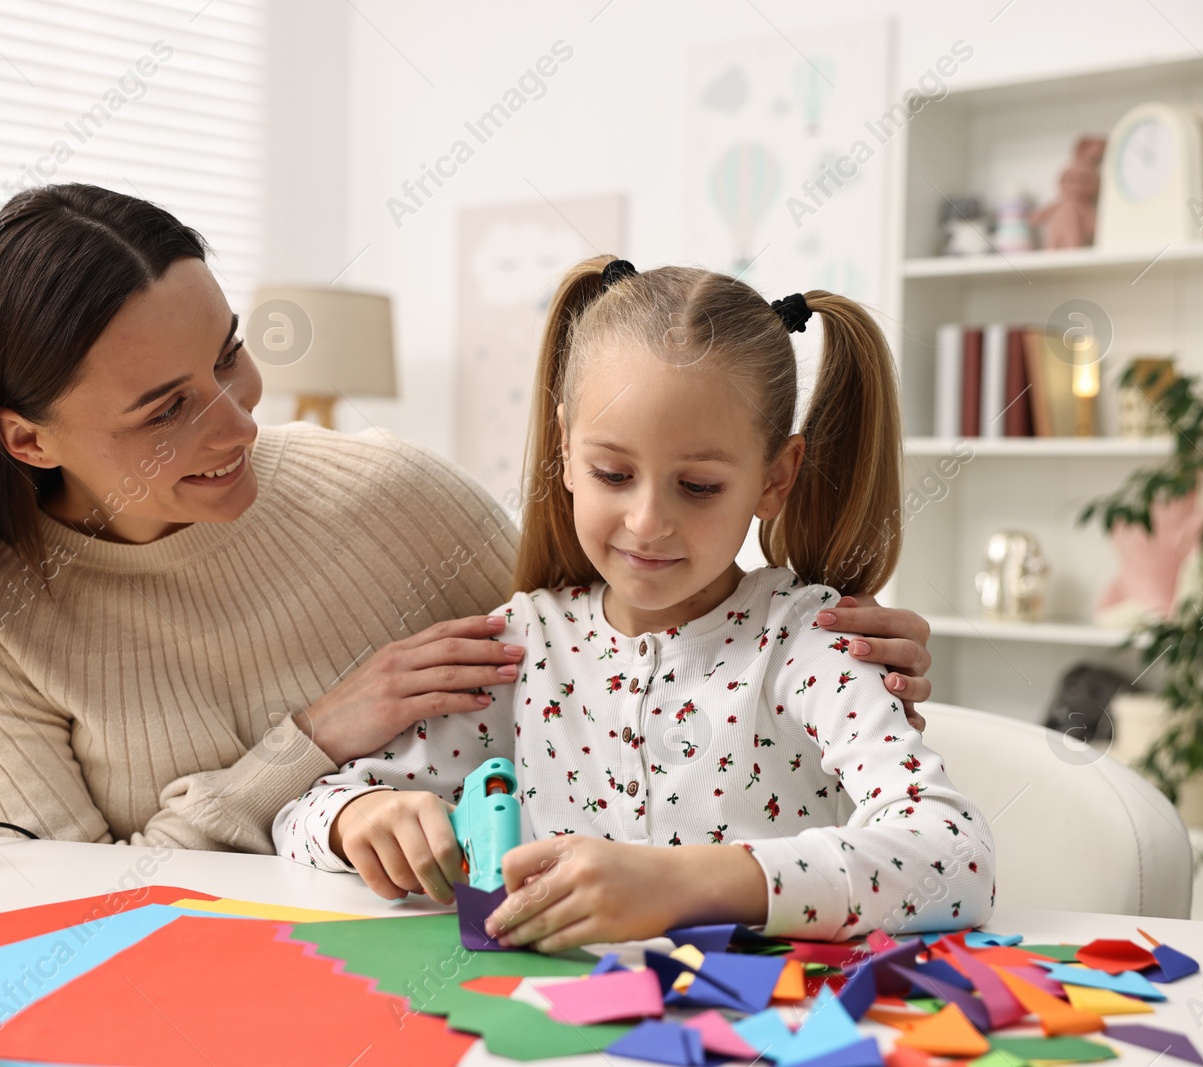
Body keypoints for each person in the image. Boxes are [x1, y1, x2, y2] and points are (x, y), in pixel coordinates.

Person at [0, 185, 936, 853]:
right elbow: (62, 918)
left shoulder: (389, 495)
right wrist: (314, 748)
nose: (237, 420)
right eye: (165, 408)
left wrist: (827, 645)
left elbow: (611, 641)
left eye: (227, 353)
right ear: (29, 439)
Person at [274, 258, 994, 947]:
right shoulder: (524, 645)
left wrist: (683, 883)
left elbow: (955, 858)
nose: (648, 521)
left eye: (699, 485)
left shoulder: (810, 642)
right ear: (564, 448)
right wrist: (355, 816)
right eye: (613, 472)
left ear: (776, 478)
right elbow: (299, 815)